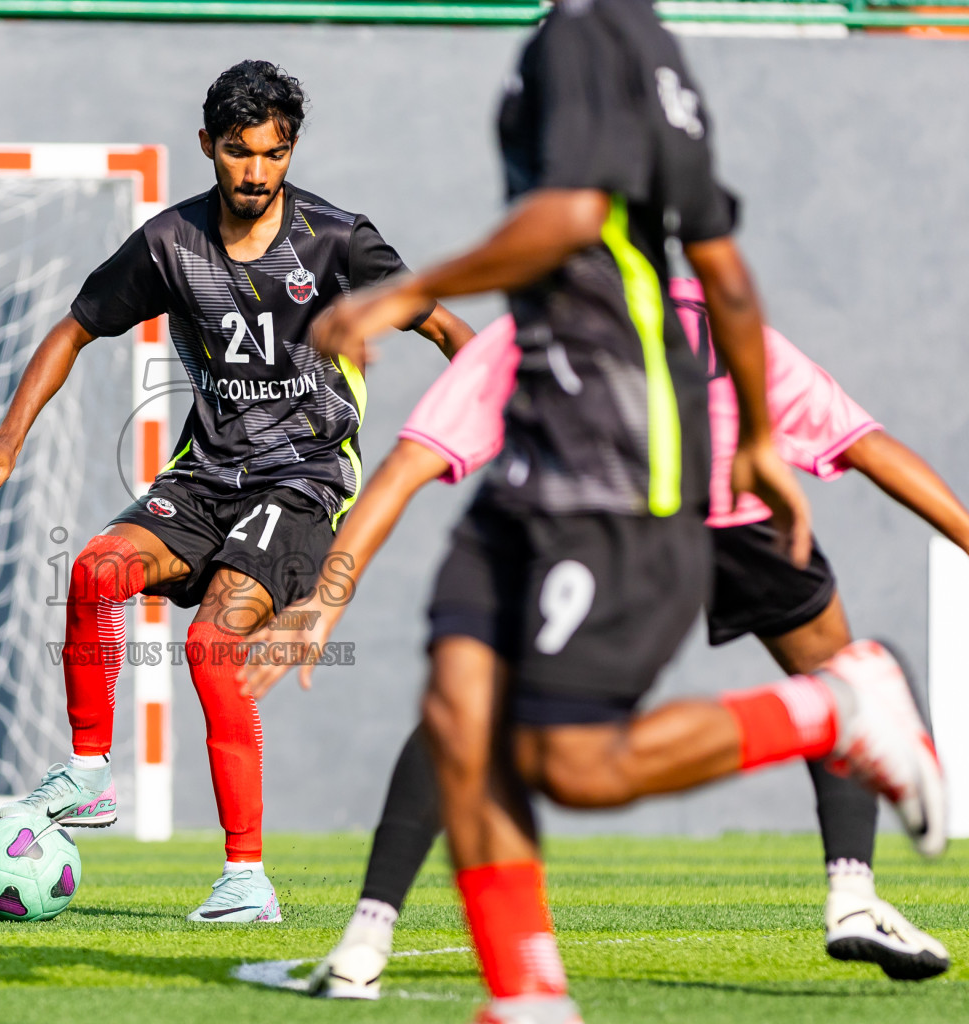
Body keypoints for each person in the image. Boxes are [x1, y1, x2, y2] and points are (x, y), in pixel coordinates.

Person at [240, 0, 944, 1017]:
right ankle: (529, 993)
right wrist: (752, 429)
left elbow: (569, 218)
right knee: (457, 703)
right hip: (537, 471)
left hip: (605, 459)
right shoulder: (659, 61)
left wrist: (406, 291)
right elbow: (726, 269)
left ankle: (835, 707)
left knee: (569, 763)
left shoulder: (583, 38)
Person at [241, 282, 960, 998]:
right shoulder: (722, 322)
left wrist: (322, 602)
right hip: (741, 525)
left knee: (483, 716)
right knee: (831, 671)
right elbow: (869, 446)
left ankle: (373, 937)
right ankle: (853, 892)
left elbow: (408, 467)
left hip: (615, 534)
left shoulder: (536, 330)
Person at [0, 60, 471, 922]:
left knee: (209, 646)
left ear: (291, 150)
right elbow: (74, 328)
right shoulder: (169, 245)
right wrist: (8, 439)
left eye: (273, 153)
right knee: (93, 571)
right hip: (206, 477)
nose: (256, 172)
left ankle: (245, 880)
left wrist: (505, 410)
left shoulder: (338, 241)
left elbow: (444, 324)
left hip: (303, 481)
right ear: (209, 147)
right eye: (238, 153)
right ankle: (86, 772)